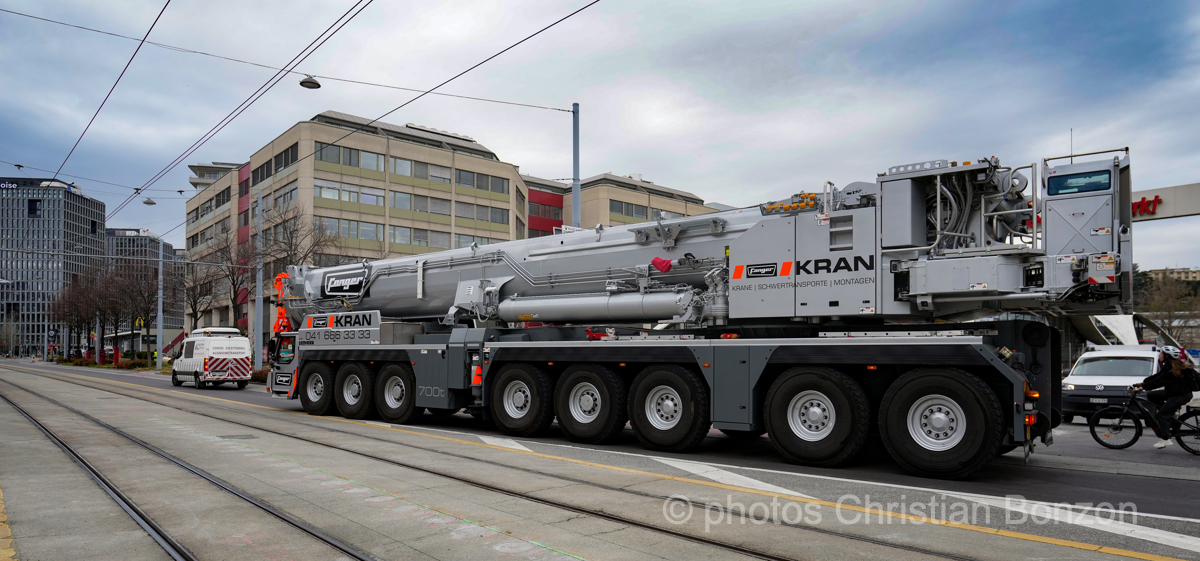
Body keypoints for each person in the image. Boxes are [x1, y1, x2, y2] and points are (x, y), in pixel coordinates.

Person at [1133, 346, 1198, 449]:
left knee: (1162, 414)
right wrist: (1142, 383)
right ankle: (1169, 415)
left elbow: (1159, 381)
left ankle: (1165, 439)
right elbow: (1158, 376)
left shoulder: (1171, 368)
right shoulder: (1170, 365)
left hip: (1180, 395)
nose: (1160, 355)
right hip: (1175, 392)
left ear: (1167, 356)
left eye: (1162, 354)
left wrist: (1142, 388)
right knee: (1151, 395)